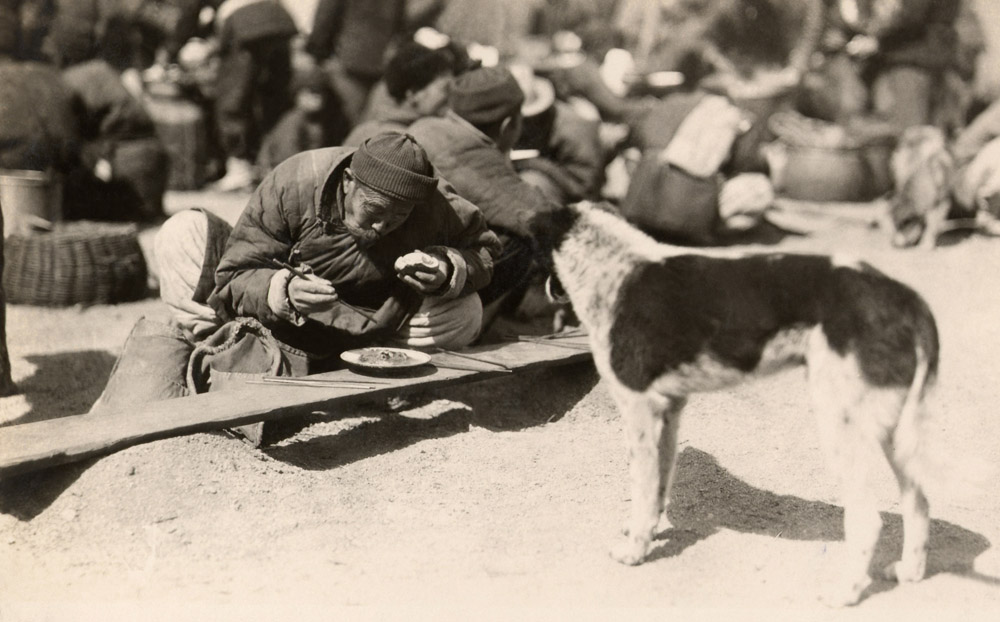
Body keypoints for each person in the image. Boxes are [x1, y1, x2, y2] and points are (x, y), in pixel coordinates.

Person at [155, 131, 501, 374]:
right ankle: (219, 349)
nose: (383, 227)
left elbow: (484, 248)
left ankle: (366, 369)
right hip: (271, 318)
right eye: (374, 211)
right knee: (182, 232)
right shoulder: (296, 181)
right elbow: (236, 272)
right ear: (349, 181)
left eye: (399, 217)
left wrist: (445, 269)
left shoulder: (434, 202)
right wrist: (283, 290)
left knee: (466, 311)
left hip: (369, 320)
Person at [407, 65, 562, 323]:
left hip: (396, 261)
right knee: (519, 241)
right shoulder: (471, 153)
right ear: (508, 124)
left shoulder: (426, 125)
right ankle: (472, 326)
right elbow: (542, 217)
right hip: (417, 285)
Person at [208, 0, 298, 191]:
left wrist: (173, 46)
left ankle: (239, 166)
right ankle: (275, 162)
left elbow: (188, 10)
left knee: (232, 98)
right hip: (280, 18)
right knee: (276, 98)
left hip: (244, 22)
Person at [305, 0, 409, 130]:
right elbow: (402, 25)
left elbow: (324, 20)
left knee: (340, 124)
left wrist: (318, 55)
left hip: (348, 61)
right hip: (381, 64)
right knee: (366, 124)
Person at [342, 37, 463, 147]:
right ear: (413, 94)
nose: (452, 94)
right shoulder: (409, 144)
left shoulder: (364, 129)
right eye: (445, 88)